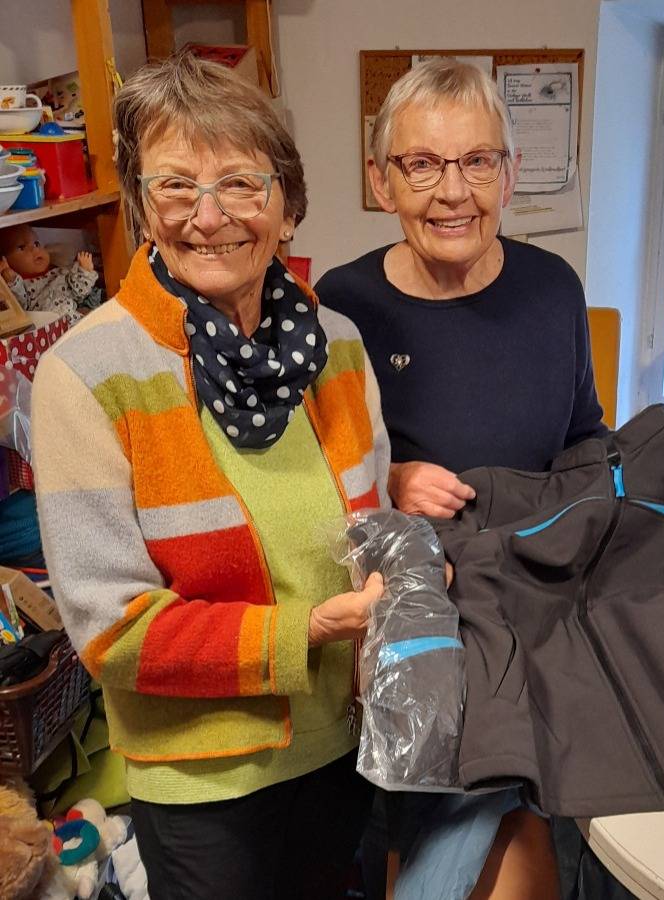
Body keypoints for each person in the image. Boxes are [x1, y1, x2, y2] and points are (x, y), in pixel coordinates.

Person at [31, 52, 390, 900]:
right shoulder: (88, 373)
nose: (208, 216)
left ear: (287, 205)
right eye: (175, 187)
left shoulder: (336, 344)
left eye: (239, 183)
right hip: (202, 784)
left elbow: (369, 529)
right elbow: (112, 630)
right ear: (140, 206)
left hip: (344, 746)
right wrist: (307, 630)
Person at [316, 58, 606, 900]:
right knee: (458, 814)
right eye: (422, 164)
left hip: (540, 605)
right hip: (420, 623)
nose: (454, 192)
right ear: (382, 181)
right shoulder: (343, 304)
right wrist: (392, 475)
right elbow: (314, 478)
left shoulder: (553, 289)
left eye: (478, 161)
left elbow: (584, 439)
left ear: (508, 175)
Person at [0, 224, 100, 319]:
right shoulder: (21, 285)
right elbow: (20, 307)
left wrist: (85, 271)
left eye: (36, 244)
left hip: (72, 319)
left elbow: (79, 293)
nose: (35, 250)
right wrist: (12, 280)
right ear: (5, 260)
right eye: (22, 247)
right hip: (46, 325)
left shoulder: (59, 272)